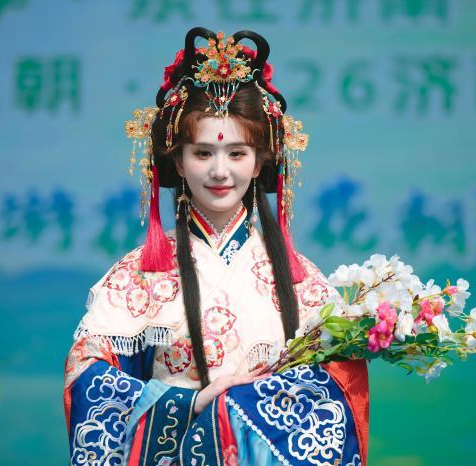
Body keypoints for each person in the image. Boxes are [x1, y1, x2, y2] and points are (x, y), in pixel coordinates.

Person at [63, 27, 369, 466]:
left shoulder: (302, 282)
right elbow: (89, 377)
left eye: (237, 154)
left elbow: (338, 391)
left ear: (260, 162)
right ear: (178, 161)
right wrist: (190, 403)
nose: (220, 171)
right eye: (203, 153)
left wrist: (245, 411)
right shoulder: (139, 275)